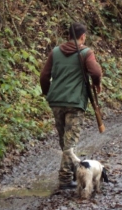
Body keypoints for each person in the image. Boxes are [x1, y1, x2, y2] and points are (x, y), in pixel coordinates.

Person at [40, 22, 103, 189]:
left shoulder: (55, 52)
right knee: (70, 142)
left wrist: (48, 93)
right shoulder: (85, 53)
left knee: (64, 139)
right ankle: (65, 178)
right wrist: (97, 83)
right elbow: (95, 72)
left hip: (56, 101)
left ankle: (68, 174)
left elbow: (44, 76)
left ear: (68, 36)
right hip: (75, 102)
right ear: (82, 37)